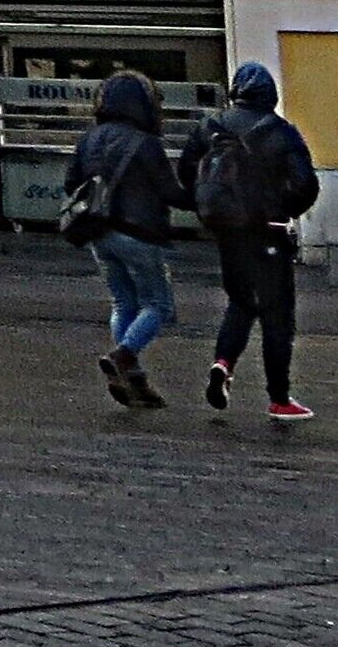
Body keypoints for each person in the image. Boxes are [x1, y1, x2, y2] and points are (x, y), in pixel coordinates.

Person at [183, 60, 320, 422]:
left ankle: (223, 363)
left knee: (241, 301)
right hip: (268, 231)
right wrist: (281, 208)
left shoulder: (209, 128)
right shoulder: (281, 132)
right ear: (270, 94)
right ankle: (279, 399)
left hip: (227, 231)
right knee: (277, 316)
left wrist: (208, 209)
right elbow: (306, 185)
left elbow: (186, 173)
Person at [64, 69, 185, 406]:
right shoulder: (146, 143)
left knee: (123, 302)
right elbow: (170, 191)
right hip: (140, 233)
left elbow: (70, 183)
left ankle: (132, 379)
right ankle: (125, 356)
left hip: (99, 233)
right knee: (159, 305)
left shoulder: (88, 140)